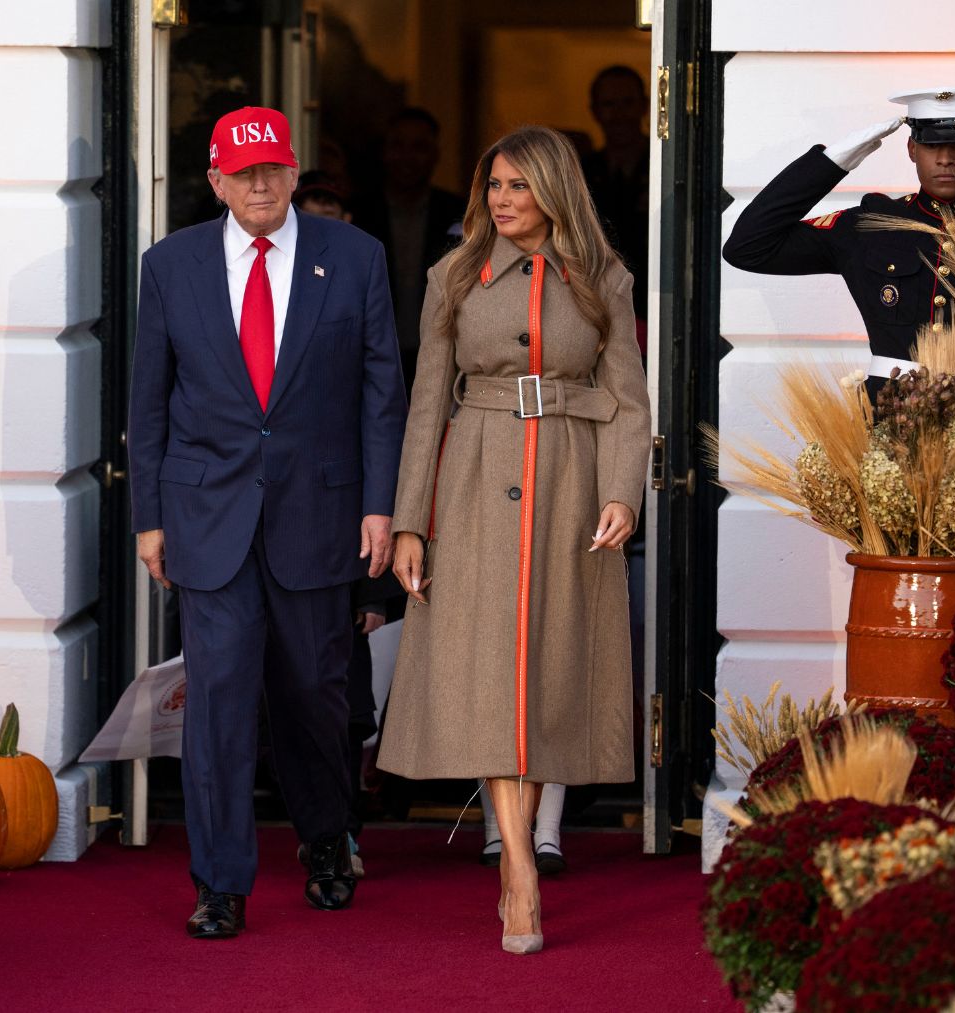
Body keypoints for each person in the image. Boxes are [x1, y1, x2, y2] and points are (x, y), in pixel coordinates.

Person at [129, 106, 407, 940]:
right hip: (206, 516)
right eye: (242, 172)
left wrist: (380, 505)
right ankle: (220, 881)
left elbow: (381, 392)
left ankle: (326, 840)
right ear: (214, 180)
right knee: (216, 701)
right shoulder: (170, 264)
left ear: (292, 173)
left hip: (320, 515)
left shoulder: (353, 257)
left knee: (314, 697)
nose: (260, 184)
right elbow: (147, 402)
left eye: (273, 169)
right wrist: (150, 518)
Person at [380, 125, 652, 954]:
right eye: (493, 185)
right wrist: (409, 522)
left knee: (549, 671)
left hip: (571, 481)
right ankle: (519, 872)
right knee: (492, 673)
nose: (501, 200)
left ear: (554, 191)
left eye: (518, 186)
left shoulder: (604, 277)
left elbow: (631, 399)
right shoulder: (453, 275)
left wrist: (621, 493)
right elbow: (426, 403)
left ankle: (522, 845)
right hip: (471, 483)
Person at [721, 88, 955, 395]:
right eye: (931, 145)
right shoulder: (871, 224)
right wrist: (832, 162)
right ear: (912, 149)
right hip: (888, 419)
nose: (945, 159)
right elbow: (748, 247)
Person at [355, 108, 464, 387]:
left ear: (436, 154)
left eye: (419, 147)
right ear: (384, 152)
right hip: (370, 353)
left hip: (442, 353)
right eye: (398, 146)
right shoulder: (359, 214)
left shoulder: (458, 212)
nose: (407, 157)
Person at [581, 66, 652, 325]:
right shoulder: (581, 172)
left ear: (645, 106)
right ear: (595, 112)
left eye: (627, 102)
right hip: (595, 299)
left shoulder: (666, 168)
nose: (619, 113)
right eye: (609, 104)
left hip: (655, 297)